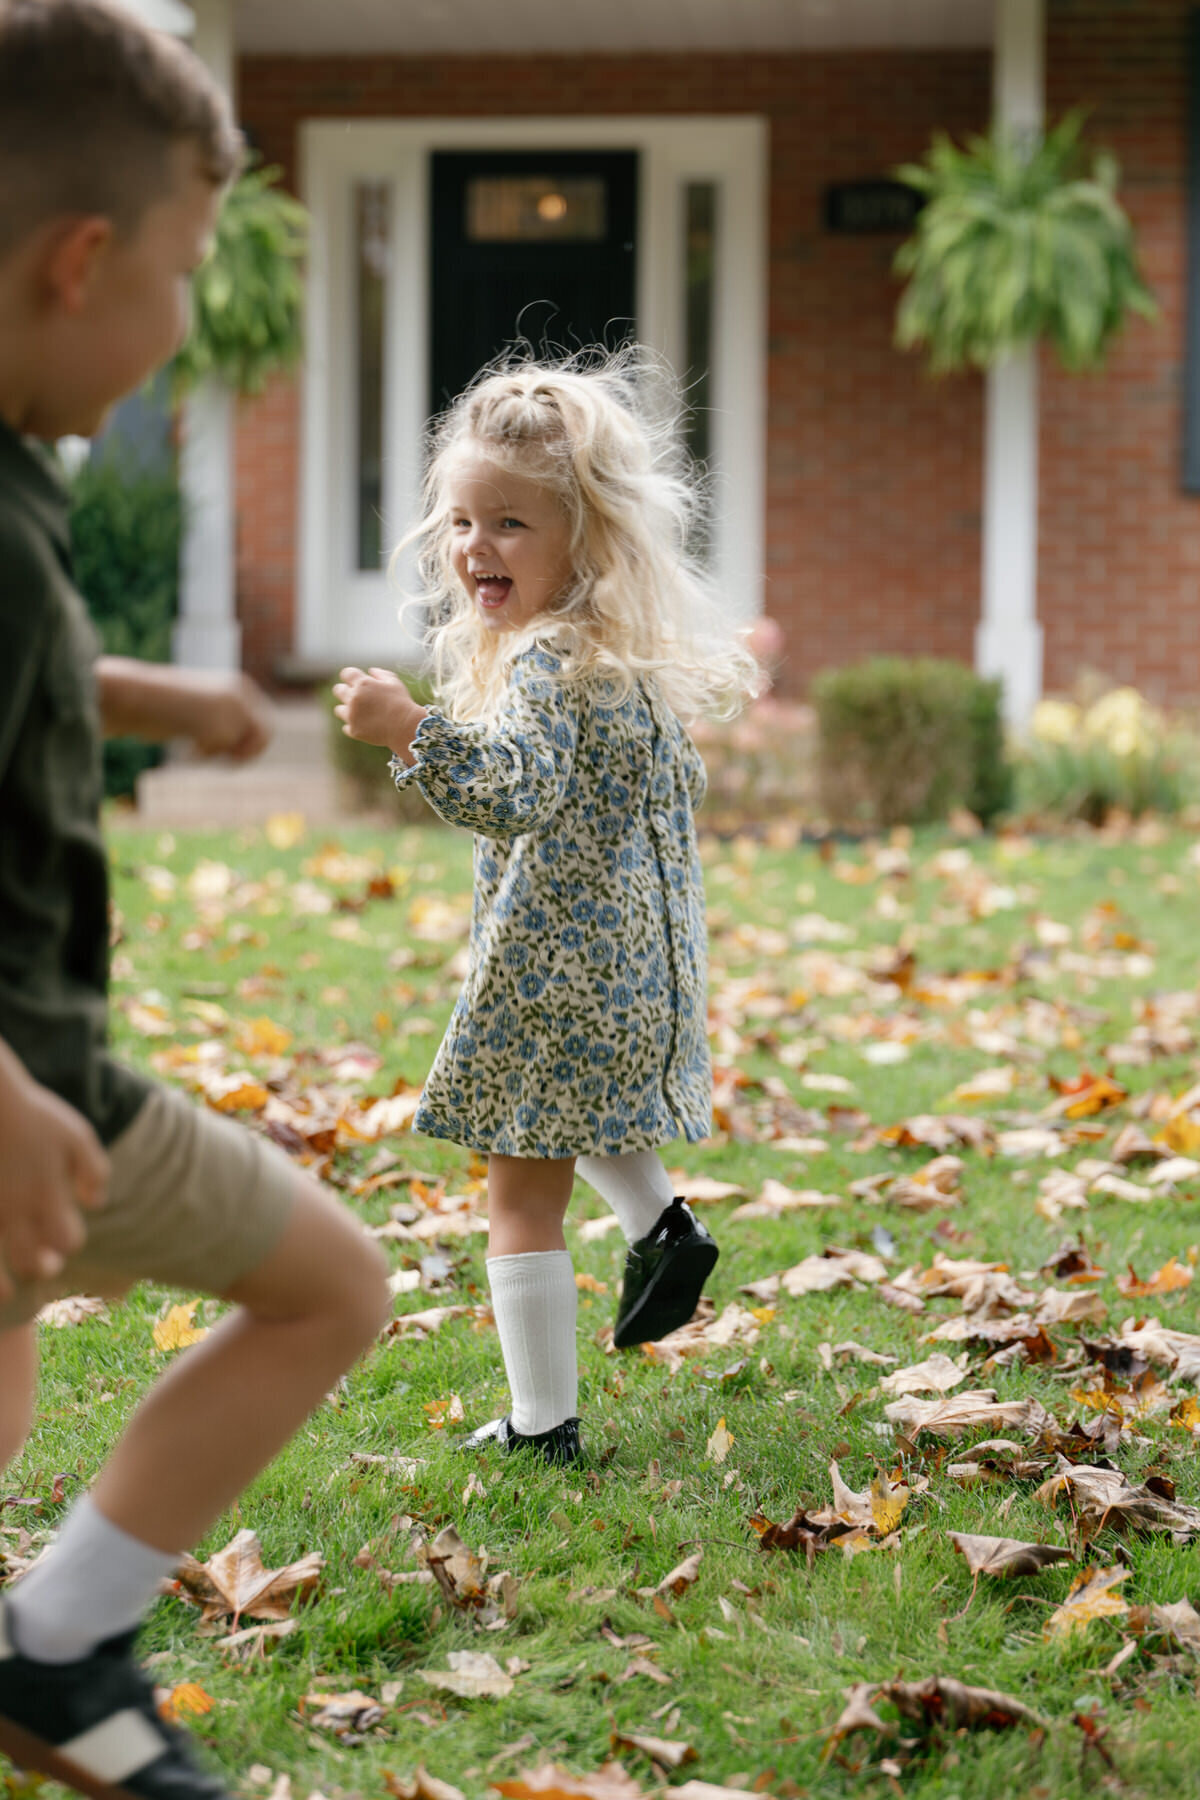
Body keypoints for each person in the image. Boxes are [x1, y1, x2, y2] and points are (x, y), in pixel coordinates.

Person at [0, 5, 391, 1796]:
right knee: (331, 1286)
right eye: (188, 270)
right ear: (83, 262)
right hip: (31, 1084)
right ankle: (64, 1642)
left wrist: (152, 695)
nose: (186, 327)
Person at [334, 353, 760, 1469]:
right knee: (578, 1116)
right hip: (634, 974)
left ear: (586, 537)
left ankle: (542, 1428)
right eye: (464, 521)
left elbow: (514, 792)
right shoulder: (622, 663)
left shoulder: (542, 664)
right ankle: (663, 1231)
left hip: (551, 975)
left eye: (513, 523)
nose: (478, 546)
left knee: (519, 1198)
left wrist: (407, 730)